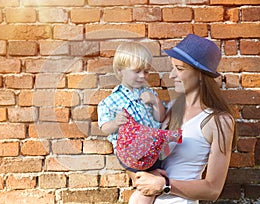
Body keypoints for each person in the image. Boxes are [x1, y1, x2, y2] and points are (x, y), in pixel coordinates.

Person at [133, 34, 237, 204]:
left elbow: (212, 189)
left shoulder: (219, 121)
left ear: (201, 75)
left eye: (180, 69)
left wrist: (165, 185)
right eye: (173, 68)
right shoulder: (172, 107)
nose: (172, 75)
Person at [98, 42, 167, 203]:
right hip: (131, 153)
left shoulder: (149, 93)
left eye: (146, 71)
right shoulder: (110, 102)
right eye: (137, 71)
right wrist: (115, 123)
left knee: (151, 186)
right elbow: (104, 128)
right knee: (147, 185)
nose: (143, 76)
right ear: (120, 71)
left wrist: (156, 102)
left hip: (153, 149)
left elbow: (160, 118)